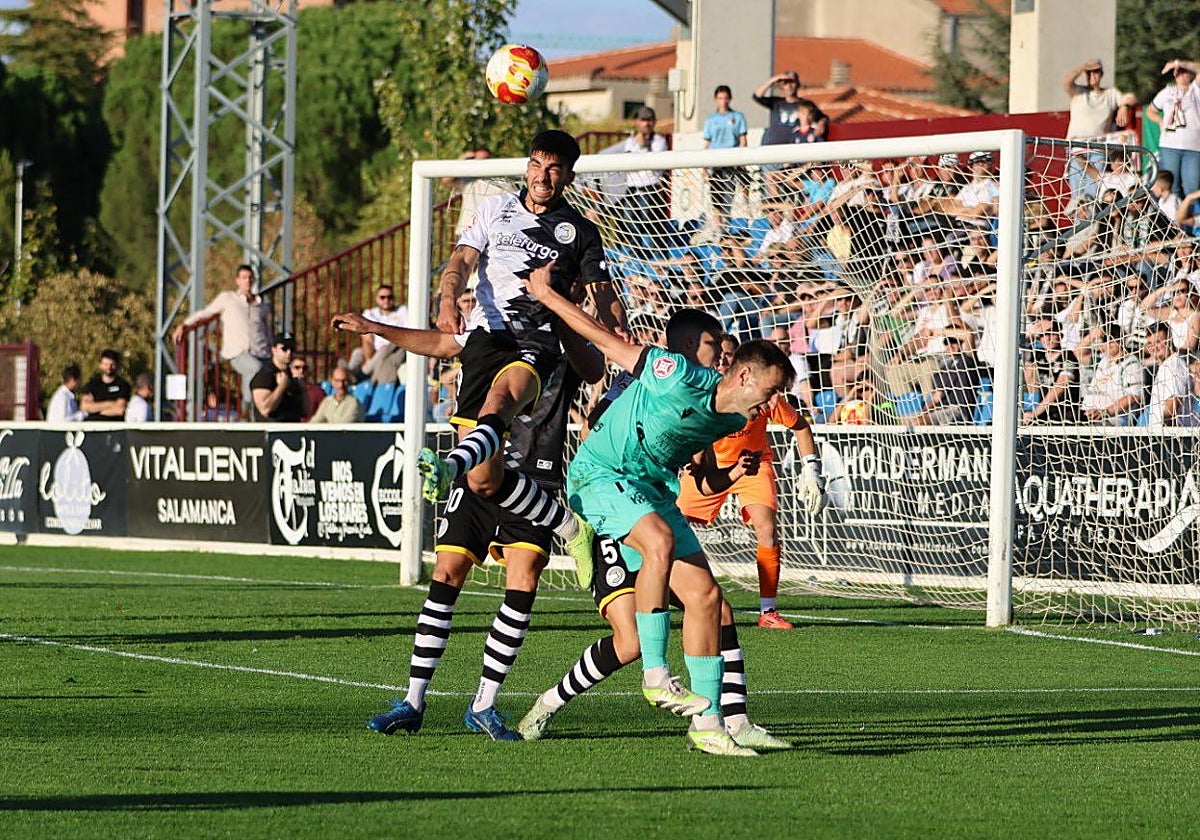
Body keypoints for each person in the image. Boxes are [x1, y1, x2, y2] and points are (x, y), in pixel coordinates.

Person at [525, 268, 795, 755]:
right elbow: (607, 343)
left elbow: (704, 473)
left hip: (650, 492)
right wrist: (545, 295)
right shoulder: (676, 372)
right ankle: (654, 675)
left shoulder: (735, 416)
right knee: (657, 549)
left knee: (708, 599)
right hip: (600, 478)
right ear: (745, 376)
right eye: (771, 392)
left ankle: (711, 726)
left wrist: (732, 479)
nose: (773, 403)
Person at [357, 313, 604, 741]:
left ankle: (484, 705)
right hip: (477, 472)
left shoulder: (557, 335)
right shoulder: (484, 332)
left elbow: (593, 368)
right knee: (445, 573)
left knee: (523, 582)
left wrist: (560, 315)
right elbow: (437, 344)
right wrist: (378, 328)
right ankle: (412, 701)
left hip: (534, 472)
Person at [411, 129, 625, 578]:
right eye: (536, 164)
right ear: (527, 166)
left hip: (539, 342)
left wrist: (616, 331)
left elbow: (603, 295)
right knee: (484, 478)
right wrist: (448, 299)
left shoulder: (581, 232)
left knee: (499, 404)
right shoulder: (495, 209)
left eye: (553, 169)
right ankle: (567, 525)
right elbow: (461, 263)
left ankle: (449, 467)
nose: (542, 176)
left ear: (567, 176)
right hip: (486, 341)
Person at [676, 333, 826, 628]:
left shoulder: (766, 394)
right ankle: (651, 591)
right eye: (721, 355)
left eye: (730, 354)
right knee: (670, 524)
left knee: (767, 526)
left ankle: (767, 611)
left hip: (754, 465)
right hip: (711, 467)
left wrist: (811, 471)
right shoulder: (705, 391)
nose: (724, 360)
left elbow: (800, 427)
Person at [172, 264, 272, 409]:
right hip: (238, 351)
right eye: (244, 278)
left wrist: (272, 347)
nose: (247, 281)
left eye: (250, 278)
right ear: (237, 280)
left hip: (261, 351)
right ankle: (248, 408)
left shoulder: (260, 304)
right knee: (254, 369)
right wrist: (185, 324)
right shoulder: (228, 299)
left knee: (269, 376)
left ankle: (257, 412)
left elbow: (266, 330)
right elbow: (206, 313)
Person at [1063, 58, 1138, 210]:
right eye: (1089, 73)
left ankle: (1093, 230)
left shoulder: (1110, 94)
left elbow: (1132, 97)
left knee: (1093, 192)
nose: (1093, 76)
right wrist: (1082, 66)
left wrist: (1124, 106)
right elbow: (1066, 82)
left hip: (1098, 149)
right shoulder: (1079, 92)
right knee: (1077, 195)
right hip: (1077, 147)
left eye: (1096, 72)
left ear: (1101, 74)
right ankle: (1078, 231)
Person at [1147, 59, 1200, 200]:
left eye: (1184, 72)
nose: (1182, 75)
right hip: (1170, 146)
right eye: (1179, 73)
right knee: (1172, 186)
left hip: (1193, 147)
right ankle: (1173, 219)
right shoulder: (1167, 92)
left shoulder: (1196, 90)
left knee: (1192, 187)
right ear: (1174, 76)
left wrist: (1178, 63)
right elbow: (1150, 111)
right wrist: (1160, 121)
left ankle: (1193, 220)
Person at [703, 85, 748, 232]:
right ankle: (718, 231)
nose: (724, 101)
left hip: (731, 163)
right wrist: (704, 168)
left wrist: (742, 161)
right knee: (716, 199)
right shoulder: (711, 120)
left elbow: (743, 140)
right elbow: (707, 144)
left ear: (730, 99)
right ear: (716, 100)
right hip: (715, 164)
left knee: (729, 197)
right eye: (720, 98)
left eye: (726, 98)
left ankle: (727, 228)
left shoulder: (738, 117)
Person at [1081, 324, 1144, 426]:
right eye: (1106, 339)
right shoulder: (1102, 361)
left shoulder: (1131, 363)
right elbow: (1079, 353)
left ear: (1122, 340)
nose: (1109, 343)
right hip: (1086, 415)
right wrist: (1092, 335)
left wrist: (1105, 412)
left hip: (1111, 420)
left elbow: (1134, 396)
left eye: (1113, 338)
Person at [348, 285, 409, 385]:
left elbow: (406, 332)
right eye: (382, 297)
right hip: (374, 351)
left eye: (390, 297)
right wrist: (368, 358)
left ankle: (361, 376)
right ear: (377, 299)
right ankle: (348, 373)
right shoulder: (371, 313)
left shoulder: (402, 311)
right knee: (357, 352)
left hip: (394, 348)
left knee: (384, 349)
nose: (386, 300)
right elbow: (367, 338)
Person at [250, 332, 309, 422]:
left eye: (292, 349)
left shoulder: (293, 374)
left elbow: (306, 412)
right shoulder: (265, 375)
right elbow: (265, 409)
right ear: (274, 350)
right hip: (272, 431)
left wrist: (303, 389)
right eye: (284, 349)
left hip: (294, 430)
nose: (289, 352)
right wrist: (281, 387)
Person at [1146, 323, 1196, 428]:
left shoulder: (1173, 366)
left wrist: (1163, 437)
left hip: (1171, 436)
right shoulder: (1166, 365)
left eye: (1158, 342)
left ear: (1169, 340)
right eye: (1150, 343)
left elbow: (1172, 405)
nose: (1153, 347)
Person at [80, 349, 132, 421]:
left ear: (117, 365)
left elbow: (120, 410)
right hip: (93, 427)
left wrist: (95, 411)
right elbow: (85, 407)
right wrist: (111, 404)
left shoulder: (123, 385)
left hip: (115, 428)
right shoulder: (92, 385)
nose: (109, 367)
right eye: (106, 364)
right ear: (100, 365)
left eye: (112, 364)